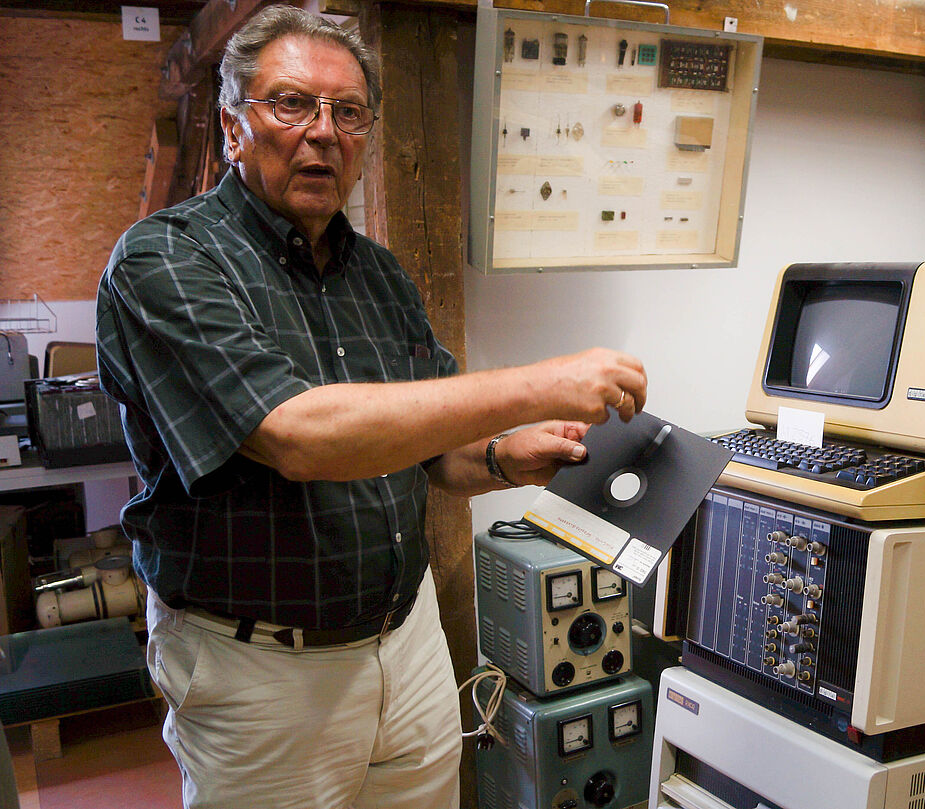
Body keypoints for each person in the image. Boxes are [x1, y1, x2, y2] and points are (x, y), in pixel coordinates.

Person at [95, 7, 646, 808]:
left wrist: (498, 455)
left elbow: (432, 448)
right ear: (231, 127)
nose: (322, 132)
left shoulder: (379, 276)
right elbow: (299, 437)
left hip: (407, 640)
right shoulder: (166, 260)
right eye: (290, 104)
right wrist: (544, 381)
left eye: (347, 112)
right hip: (261, 671)